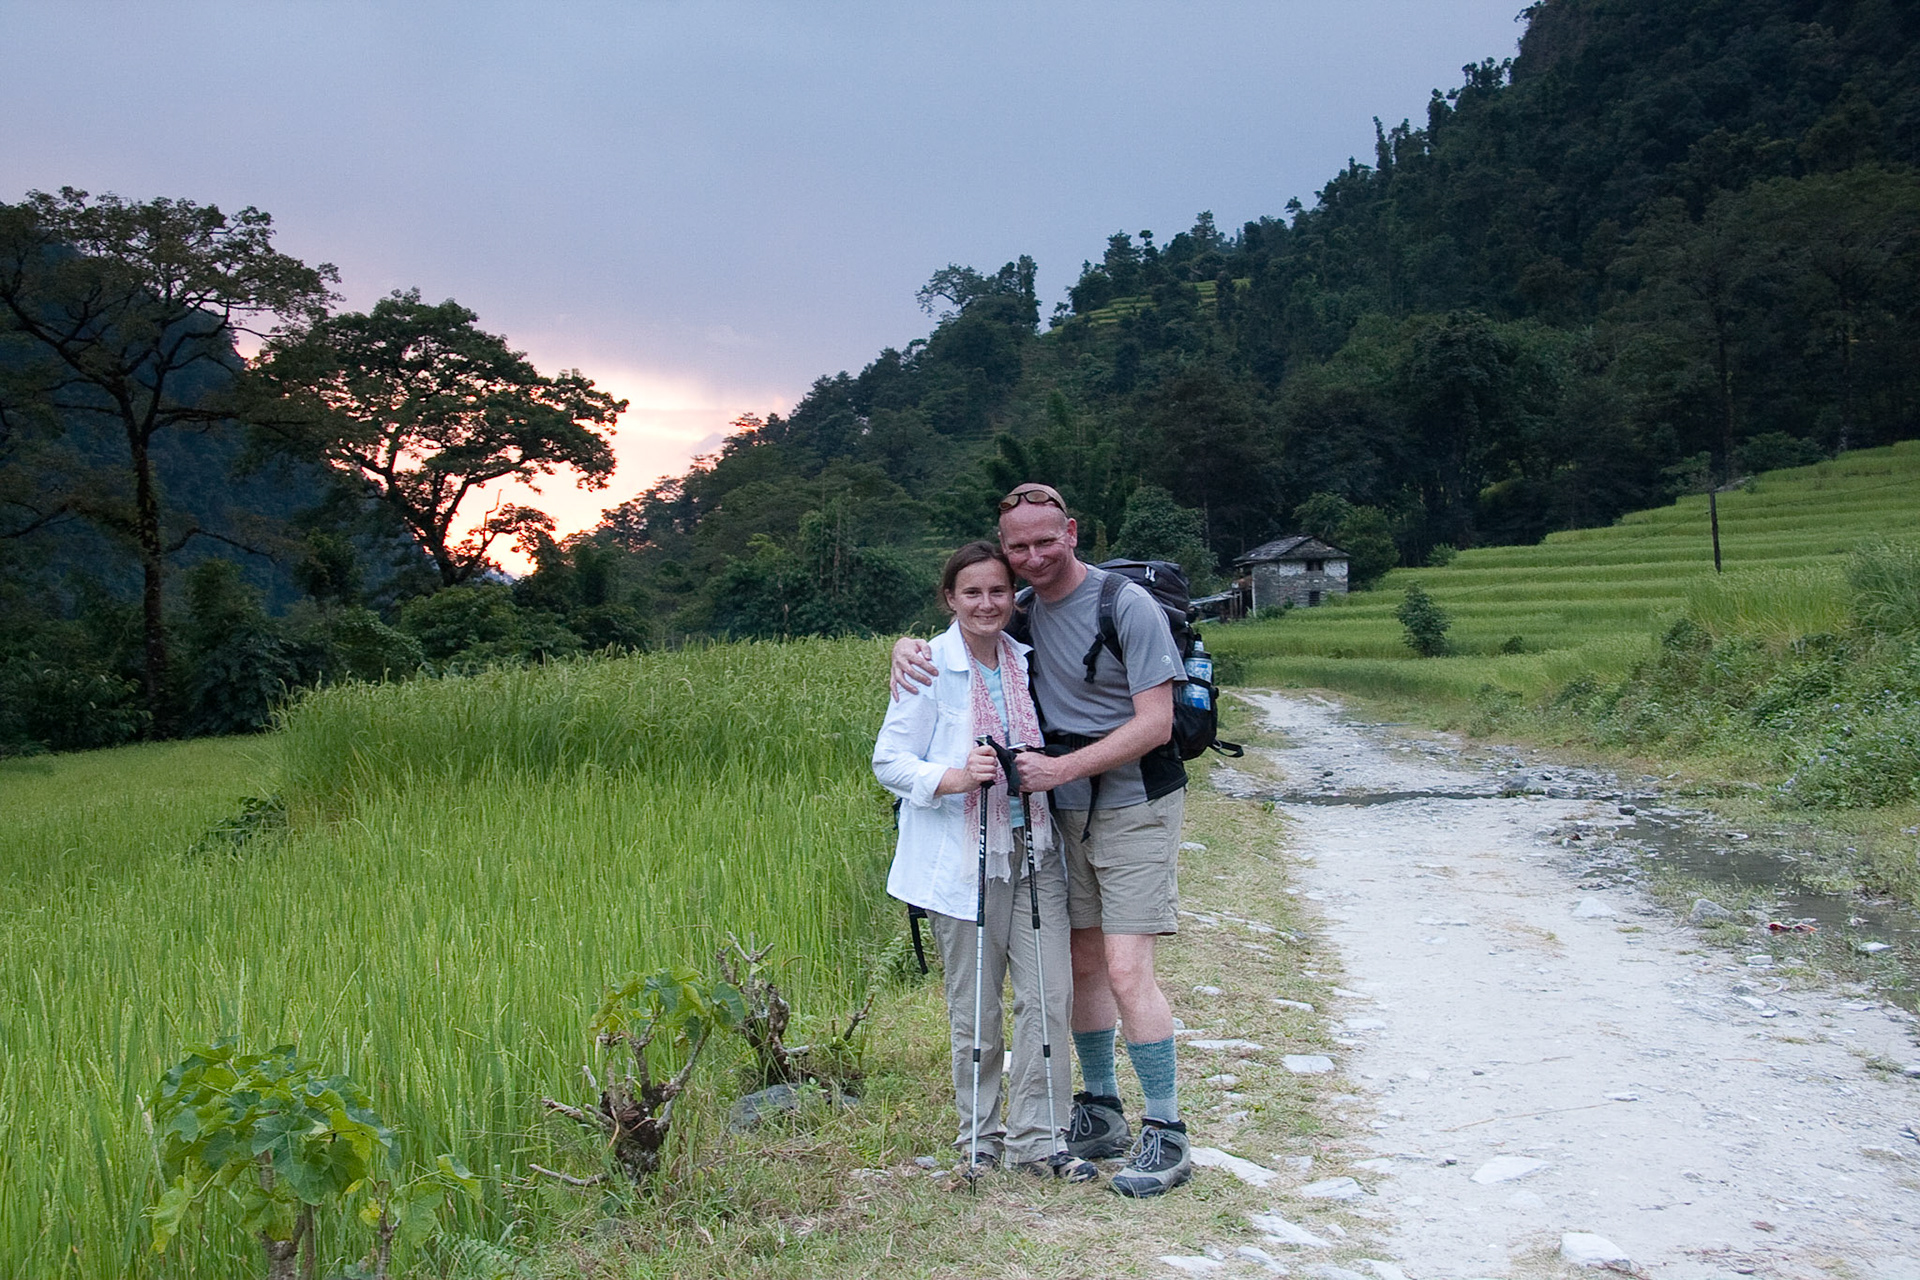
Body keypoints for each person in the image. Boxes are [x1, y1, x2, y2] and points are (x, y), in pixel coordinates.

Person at [891, 483, 1193, 1198]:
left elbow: (1156, 722)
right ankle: (1099, 1111)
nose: (1031, 557)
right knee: (1080, 965)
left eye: (1043, 541)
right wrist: (904, 650)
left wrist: (1059, 769)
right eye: (1017, 546)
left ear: (1073, 532)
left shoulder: (1127, 606)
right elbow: (968, 633)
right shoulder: (1021, 611)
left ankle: (1168, 1130)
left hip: (1132, 803)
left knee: (1125, 970)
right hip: (1061, 816)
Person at [872, 540, 1097, 1183]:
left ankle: (1041, 1138)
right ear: (950, 599)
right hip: (961, 858)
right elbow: (888, 760)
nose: (987, 603)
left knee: (1049, 997)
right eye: (971, 593)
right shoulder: (927, 667)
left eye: (998, 591)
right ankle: (980, 1139)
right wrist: (951, 777)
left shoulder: (1025, 659)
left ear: (1012, 598)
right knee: (976, 1008)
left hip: (1033, 851)